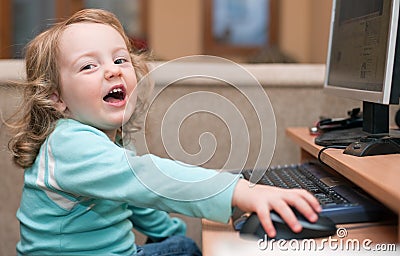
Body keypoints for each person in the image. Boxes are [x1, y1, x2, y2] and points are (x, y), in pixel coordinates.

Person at [7, 9, 321, 256]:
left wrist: (169, 232)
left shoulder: (107, 139)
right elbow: (148, 178)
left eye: (120, 59)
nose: (113, 70)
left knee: (180, 244)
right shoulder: (68, 144)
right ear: (56, 98)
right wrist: (240, 191)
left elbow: (134, 199)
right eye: (88, 66)